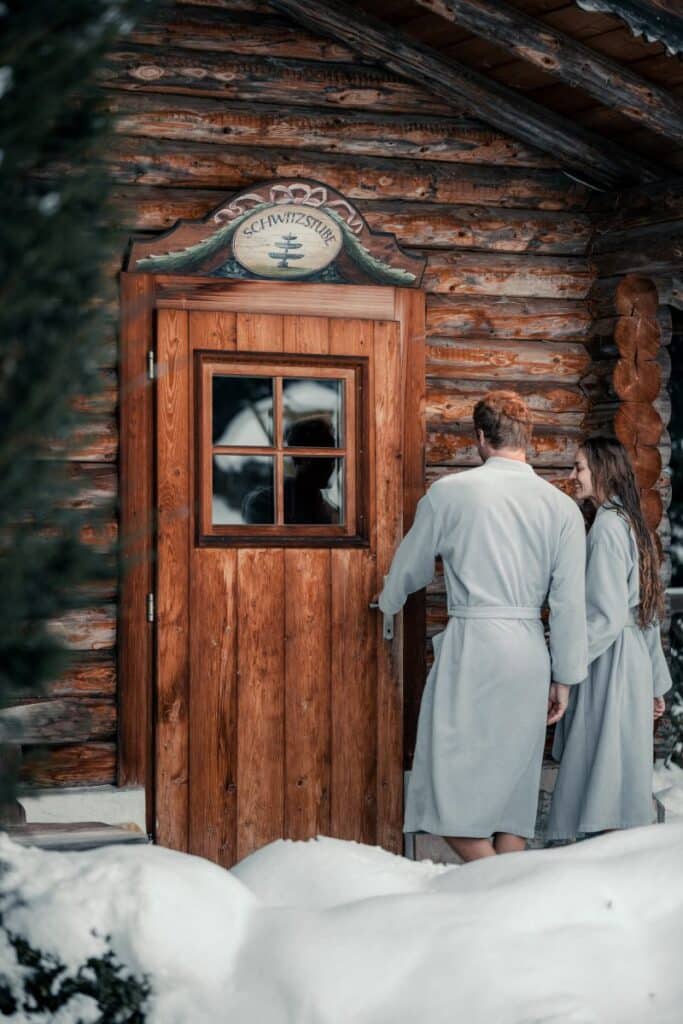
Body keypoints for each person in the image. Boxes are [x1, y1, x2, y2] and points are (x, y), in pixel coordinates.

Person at [378, 390, 588, 862]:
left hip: (474, 646)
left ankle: (495, 889)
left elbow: (409, 571)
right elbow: (569, 604)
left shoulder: (449, 494)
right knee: (514, 790)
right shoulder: (561, 510)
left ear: (480, 438)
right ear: (527, 440)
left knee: (446, 786)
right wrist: (565, 679)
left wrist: (385, 602)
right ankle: (507, 896)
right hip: (529, 651)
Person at [546, 437, 672, 841]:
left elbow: (606, 614)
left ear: (602, 471)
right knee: (618, 770)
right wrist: (654, 681)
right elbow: (646, 614)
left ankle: (601, 864)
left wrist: (565, 664)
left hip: (610, 664)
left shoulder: (608, 526)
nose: (572, 476)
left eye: (579, 467)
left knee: (602, 771)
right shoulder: (632, 523)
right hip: (631, 660)